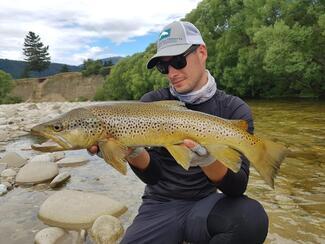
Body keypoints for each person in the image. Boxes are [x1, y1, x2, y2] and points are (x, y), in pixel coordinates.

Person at [88, 21, 268, 244]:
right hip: (159, 205)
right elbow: (153, 176)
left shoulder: (233, 110)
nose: (172, 73)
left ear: (202, 52)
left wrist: (209, 160)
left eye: (178, 61)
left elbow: (236, 187)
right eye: (164, 67)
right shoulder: (150, 104)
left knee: (251, 219)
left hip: (207, 207)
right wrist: (131, 152)